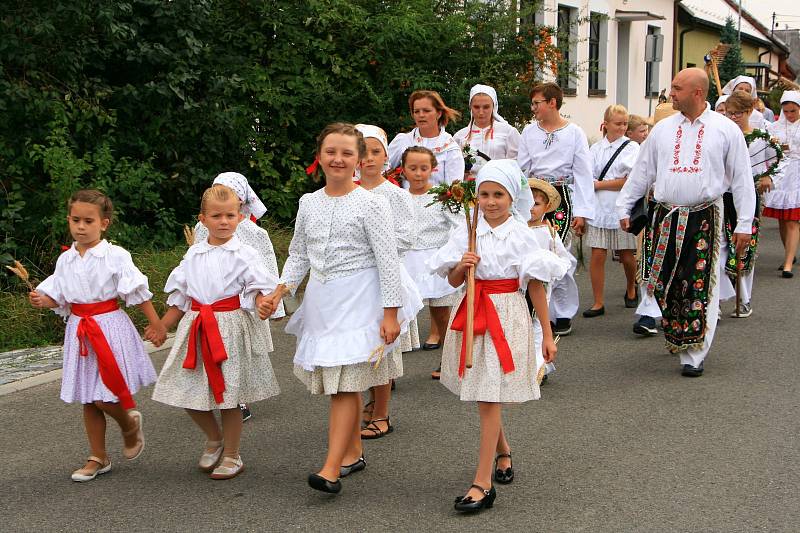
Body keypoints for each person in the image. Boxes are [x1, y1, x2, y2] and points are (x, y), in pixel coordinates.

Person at [269, 123, 422, 494]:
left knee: (343, 386)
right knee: (341, 383)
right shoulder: (309, 202)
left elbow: (387, 261)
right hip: (324, 302)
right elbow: (299, 255)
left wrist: (390, 313)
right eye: (331, 152)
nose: (338, 159)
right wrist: (278, 292)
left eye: (347, 153)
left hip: (360, 300)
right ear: (319, 156)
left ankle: (331, 468)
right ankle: (352, 453)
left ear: (358, 159)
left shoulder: (372, 203)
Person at [428, 159, 569, 513]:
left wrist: (547, 336)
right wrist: (463, 264)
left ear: (512, 197)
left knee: (490, 396)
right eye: (484, 194)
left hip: (506, 314)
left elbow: (535, 284)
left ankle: (482, 482)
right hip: (473, 310)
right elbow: (453, 281)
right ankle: (503, 452)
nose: (490, 202)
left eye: (498, 195)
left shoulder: (521, 233)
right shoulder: (467, 229)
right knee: (484, 393)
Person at [617, 68, 756, 377]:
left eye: (677, 88)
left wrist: (744, 223)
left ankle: (695, 353)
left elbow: (743, 179)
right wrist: (624, 205)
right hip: (665, 216)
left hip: (705, 215)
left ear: (697, 92)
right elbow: (642, 171)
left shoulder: (725, 129)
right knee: (665, 282)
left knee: (701, 283)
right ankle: (678, 334)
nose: (672, 93)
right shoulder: (663, 129)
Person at [29, 189, 165, 482]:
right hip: (80, 329)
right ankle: (98, 456)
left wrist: (156, 324)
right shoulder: (65, 260)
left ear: (103, 223)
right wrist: (45, 300)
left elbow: (136, 291)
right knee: (89, 399)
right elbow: (61, 295)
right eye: (76, 220)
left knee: (105, 396)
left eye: (88, 221)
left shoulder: (115, 256)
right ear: (69, 220)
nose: (81, 226)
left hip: (108, 328)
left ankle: (129, 425)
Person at [151, 184, 280, 480]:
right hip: (197, 326)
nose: (224, 221)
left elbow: (259, 287)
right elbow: (181, 297)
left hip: (230, 326)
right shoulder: (193, 254)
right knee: (185, 390)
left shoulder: (244, 253)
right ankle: (213, 437)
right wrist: (162, 325)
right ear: (203, 219)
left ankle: (233, 454)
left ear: (240, 217)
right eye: (217, 216)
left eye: (230, 215)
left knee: (229, 397)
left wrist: (262, 304)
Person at [194, 172, 283, 423]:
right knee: (215, 349)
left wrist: (271, 303)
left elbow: (267, 268)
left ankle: (238, 397)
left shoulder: (255, 233)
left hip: (244, 303)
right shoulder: (203, 227)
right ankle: (218, 391)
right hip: (213, 303)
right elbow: (196, 257)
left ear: (241, 203)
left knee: (237, 351)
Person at [355, 123, 422, 439]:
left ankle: (381, 412)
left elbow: (407, 237)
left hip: (384, 278)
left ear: (386, 157)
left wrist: (372, 245)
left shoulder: (395, 195)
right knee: (356, 345)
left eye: (376, 152)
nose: (368, 159)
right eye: (362, 152)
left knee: (380, 345)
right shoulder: (348, 193)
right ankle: (367, 401)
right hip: (353, 281)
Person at [517, 82, 594, 336]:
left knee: (557, 251)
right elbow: (522, 168)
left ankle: (562, 311)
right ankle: (541, 311)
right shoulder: (529, 132)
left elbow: (583, 173)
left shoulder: (574, 133)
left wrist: (582, 212)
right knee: (533, 250)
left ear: (552, 103)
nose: (533, 108)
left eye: (537, 103)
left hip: (560, 195)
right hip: (533, 193)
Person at [401, 146, 462, 379]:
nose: (418, 174)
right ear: (404, 169)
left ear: (432, 169)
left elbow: (459, 226)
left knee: (442, 312)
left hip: (436, 260)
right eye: (413, 168)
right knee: (401, 314)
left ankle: (448, 359)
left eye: (423, 168)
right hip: (408, 260)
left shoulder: (442, 196)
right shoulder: (399, 197)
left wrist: (453, 256)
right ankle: (389, 371)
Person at [717, 91, 774, 316]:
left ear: (749, 111)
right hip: (723, 195)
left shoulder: (760, 138)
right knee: (720, 247)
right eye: (729, 113)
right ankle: (718, 299)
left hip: (749, 195)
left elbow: (777, 160)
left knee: (744, 248)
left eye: (738, 113)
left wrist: (769, 176)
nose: (733, 117)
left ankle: (744, 298)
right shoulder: (724, 136)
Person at [584, 105, 640, 318]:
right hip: (599, 208)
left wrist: (599, 185)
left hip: (620, 206)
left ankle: (631, 287)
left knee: (626, 255)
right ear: (605, 124)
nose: (622, 127)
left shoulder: (632, 147)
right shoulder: (595, 148)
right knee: (598, 254)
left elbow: (630, 181)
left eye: (625, 123)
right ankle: (598, 301)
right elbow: (585, 175)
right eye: (617, 123)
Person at [527, 178, 575, 379]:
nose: (531, 209)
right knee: (524, 322)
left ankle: (539, 367)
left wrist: (552, 268)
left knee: (538, 321)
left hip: (542, 285)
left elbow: (562, 258)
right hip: (520, 285)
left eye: (536, 204)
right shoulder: (519, 231)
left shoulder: (548, 232)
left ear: (546, 207)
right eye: (527, 203)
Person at [388, 90, 464, 186]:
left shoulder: (450, 147)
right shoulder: (402, 140)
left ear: (439, 113)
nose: (421, 115)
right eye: (416, 111)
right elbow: (383, 170)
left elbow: (454, 190)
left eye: (426, 111)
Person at [764, 90, 800, 278]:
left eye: (793, 111)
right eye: (786, 111)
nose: (789, 115)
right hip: (781, 171)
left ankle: (787, 264)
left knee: (793, 219)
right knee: (783, 218)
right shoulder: (774, 127)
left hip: (798, 172)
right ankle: (790, 253)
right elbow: (768, 151)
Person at [454, 84, 522, 176]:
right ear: (470, 107)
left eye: (486, 107)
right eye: (476, 107)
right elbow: (454, 168)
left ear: (493, 107)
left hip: (499, 186)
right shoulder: (460, 136)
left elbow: (516, 165)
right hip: (469, 187)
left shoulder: (508, 132)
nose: (481, 112)